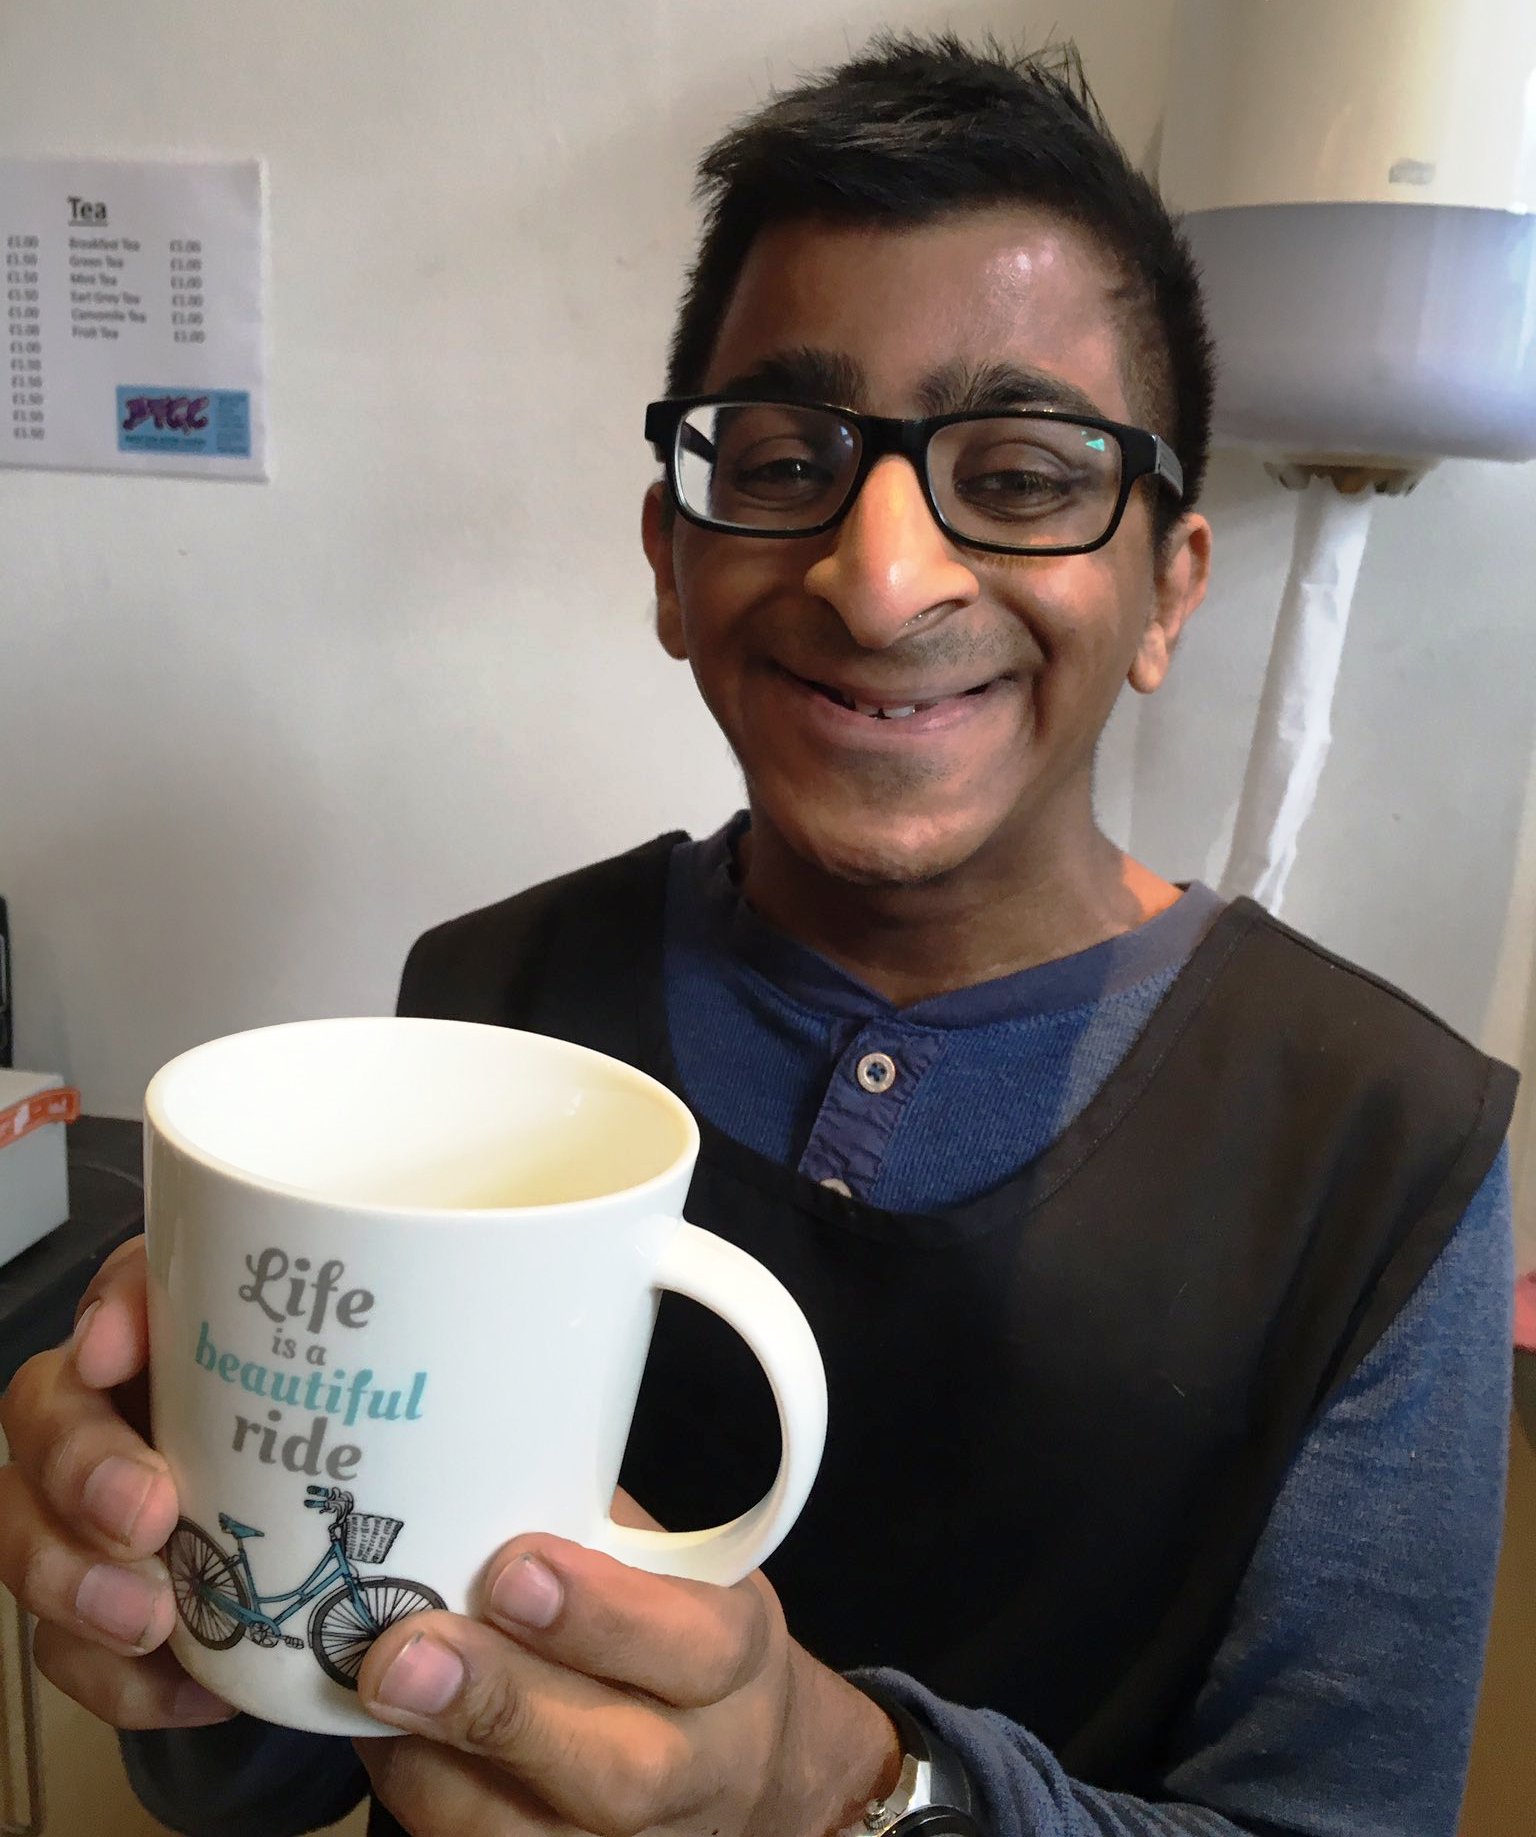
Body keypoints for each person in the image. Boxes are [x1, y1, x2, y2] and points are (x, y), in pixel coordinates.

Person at [0, 34, 1516, 1837]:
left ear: (1168, 581)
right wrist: (165, 1579)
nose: (881, 578)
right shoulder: (485, 1004)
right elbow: (266, 1764)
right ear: (670, 554)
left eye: (1023, 476)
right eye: (786, 456)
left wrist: (845, 1787)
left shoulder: (1384, 1150)